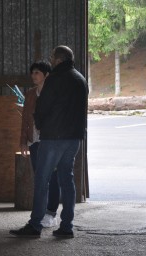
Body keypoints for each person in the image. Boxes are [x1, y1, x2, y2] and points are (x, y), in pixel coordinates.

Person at [10, 45, 88, 238]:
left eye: (53, 57)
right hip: (73, 139)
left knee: (42, 180)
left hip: (53, 137)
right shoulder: (80, 79)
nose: (51, 60)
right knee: (67, 180)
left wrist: (41, 124)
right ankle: (66, 227)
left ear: (58, 59)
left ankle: (35, 225)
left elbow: (42, 107)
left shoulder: (53, 79)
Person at [19, 61, 60, 228]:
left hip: (51, 141)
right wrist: (22, 142)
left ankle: (51, 212)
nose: (33, 76)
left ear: (46, 75)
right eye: (32, 72)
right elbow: (25, 119)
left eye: (37, 72)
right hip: (34, 141)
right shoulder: (29, 94)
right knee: (40, 178)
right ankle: (41, 212)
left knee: (53, 176)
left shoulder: (55, 93)